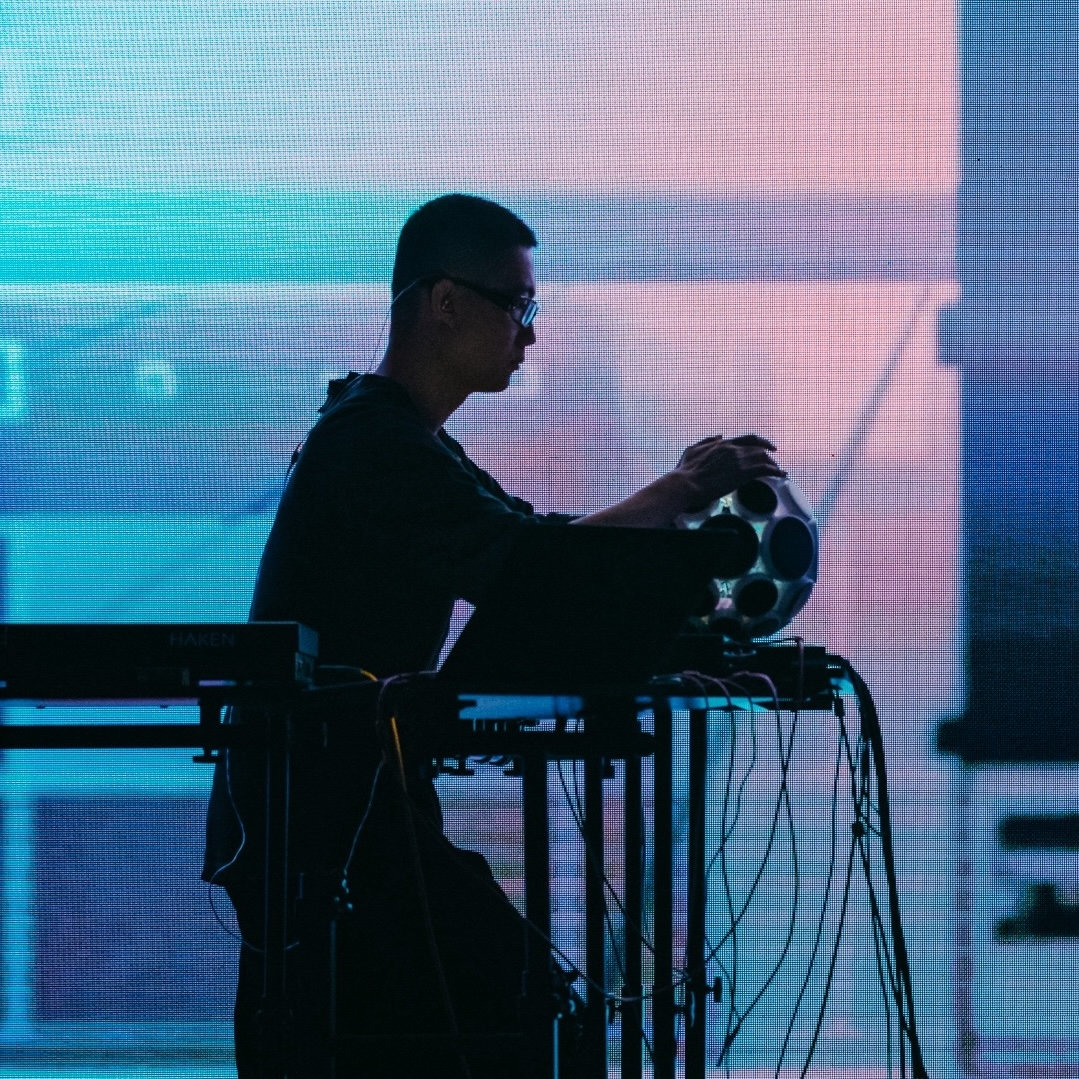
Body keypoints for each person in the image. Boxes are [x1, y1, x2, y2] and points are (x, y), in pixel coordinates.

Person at [203, 192, 784, 1078]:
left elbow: (533, 544)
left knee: (508, 1010)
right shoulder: (374, 444)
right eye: (518, 304)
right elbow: (529, 562)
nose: (530, 333)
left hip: (349, 817)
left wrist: (664, 636)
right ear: (444, 302)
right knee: (517, 1015)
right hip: (327, 831)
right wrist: (675, 492)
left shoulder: (398, 437)